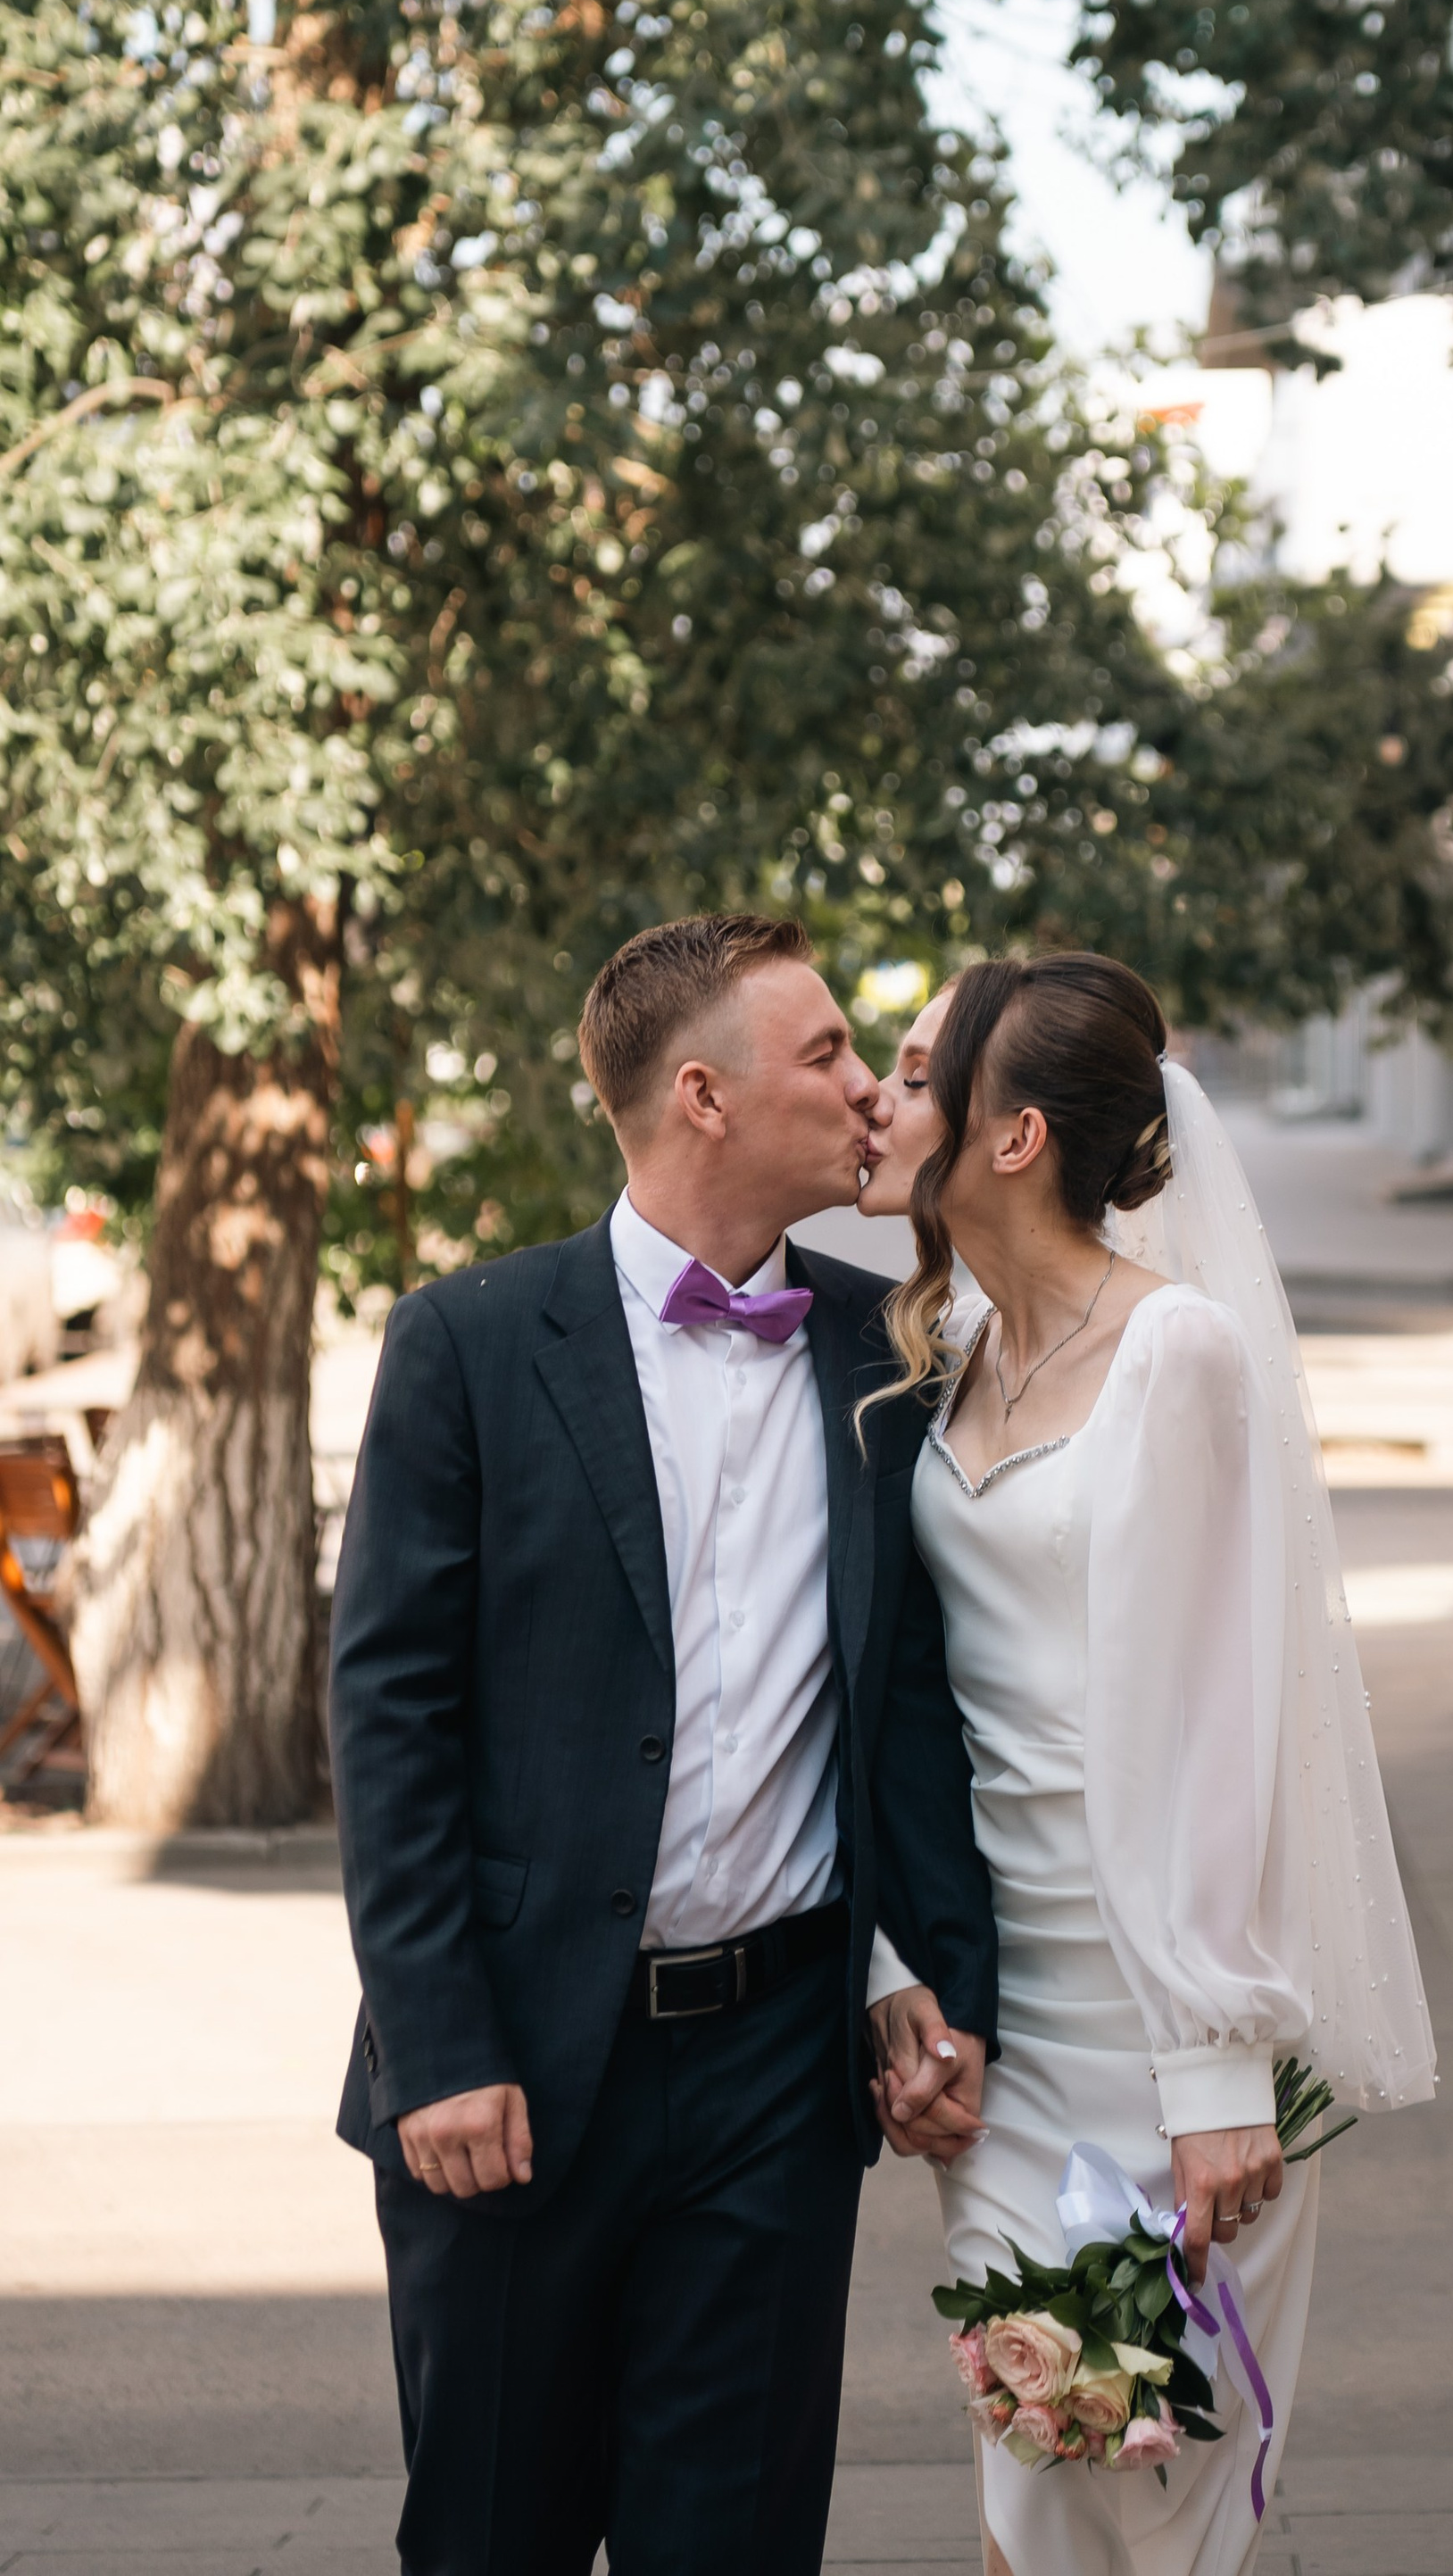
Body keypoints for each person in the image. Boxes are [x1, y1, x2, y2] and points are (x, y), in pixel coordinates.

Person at [328, 912, 998, 2576]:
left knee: (743, 2544)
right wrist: (441, 2041)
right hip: (515, 2073)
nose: (869, 1090)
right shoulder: (470, 1344)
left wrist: (924, 1973)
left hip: (778, 2077)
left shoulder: (887, 1353)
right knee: (494, 2536)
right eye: (830, 1052)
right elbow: (388, 1717)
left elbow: (908, 1709)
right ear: (703, 1095)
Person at [855, 953, 1435, 2576]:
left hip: (1159, 2021)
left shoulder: (1175, 1354)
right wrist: (901, 1974)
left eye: (913, 1074)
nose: (874, 1102)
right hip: (1001, 2024)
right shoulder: (941, 1347)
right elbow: (899, 1709)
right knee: (1026, 2491)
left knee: (1157, 2520)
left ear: (1016, 1134)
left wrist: (1213, 2071)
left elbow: (1215, 1726)